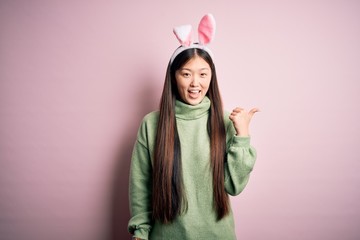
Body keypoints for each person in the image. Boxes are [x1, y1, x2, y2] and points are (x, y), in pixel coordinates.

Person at [127, 14, 259, 240]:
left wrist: (243, 136)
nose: (195, 83)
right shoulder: (152, 125)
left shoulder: (226, 121)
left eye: (203, 74)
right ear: (174, 77)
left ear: (211, 77)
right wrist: (140, 233)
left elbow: (234, 186)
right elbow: (141, 185)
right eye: (186, 74)